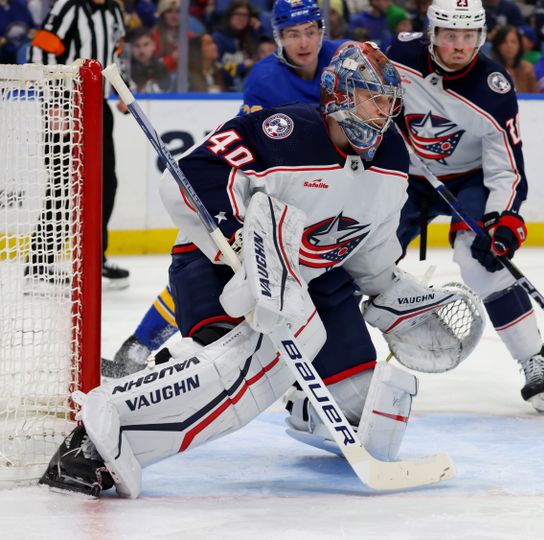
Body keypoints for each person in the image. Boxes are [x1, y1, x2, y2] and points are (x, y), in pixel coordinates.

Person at [39, 41, 464, 497]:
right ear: (338, 93)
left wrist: (391, 294)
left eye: (388, 102)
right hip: (218, 267)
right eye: (371, 96)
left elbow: (371, 242)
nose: (382, 112)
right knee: (232, 369)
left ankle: (303, 402)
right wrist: (241, 244)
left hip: (313, 286)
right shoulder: (283, 131)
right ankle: (94, 440)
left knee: (370, 415)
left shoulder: (393, 160)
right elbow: (189, 177)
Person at [102, 0, 348, 378]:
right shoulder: (266, 80)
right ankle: (138, 346)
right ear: (278, 37)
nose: (303, 42)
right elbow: (256, 153)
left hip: (322, 190)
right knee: (208, 263)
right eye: (292, 34)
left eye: (310, 32)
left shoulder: (342, 62)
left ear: (322, 31)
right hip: (267, 189)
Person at [388, 0, 544, 413]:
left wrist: (504, 221)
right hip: (407, 175)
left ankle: (535, 360)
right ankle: (338, 361)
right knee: (368, 256)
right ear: (432, 33)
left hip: (468, 178)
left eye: (469, 36)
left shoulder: (494, 89)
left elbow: (506, 170)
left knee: (479, 260)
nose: (459, 46)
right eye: (450, 36)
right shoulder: (399, 56)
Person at [27, 0, 130, 288]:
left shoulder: (113, 10)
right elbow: (39, 50)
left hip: (98, 107)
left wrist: (123, 87)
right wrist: (57, 102)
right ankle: (39, 265)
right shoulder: (69, 6)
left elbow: (114, 53)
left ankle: (95, 259)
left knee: (105, 183)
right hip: (66, 106)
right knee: (64, 183)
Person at [490, 25, 538, 93]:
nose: (509, 46)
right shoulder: (488, 69)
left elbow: (535, 98)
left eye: (513, 42)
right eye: (504, 42)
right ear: (498, 45)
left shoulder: (528, 69)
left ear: (519, 45)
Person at [128, 27, 173, 93]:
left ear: (153, 45)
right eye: (137, 45)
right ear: (130, 47)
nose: (142, 51)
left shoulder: (161, 69)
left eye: (146, 45)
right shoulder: (125, 70)